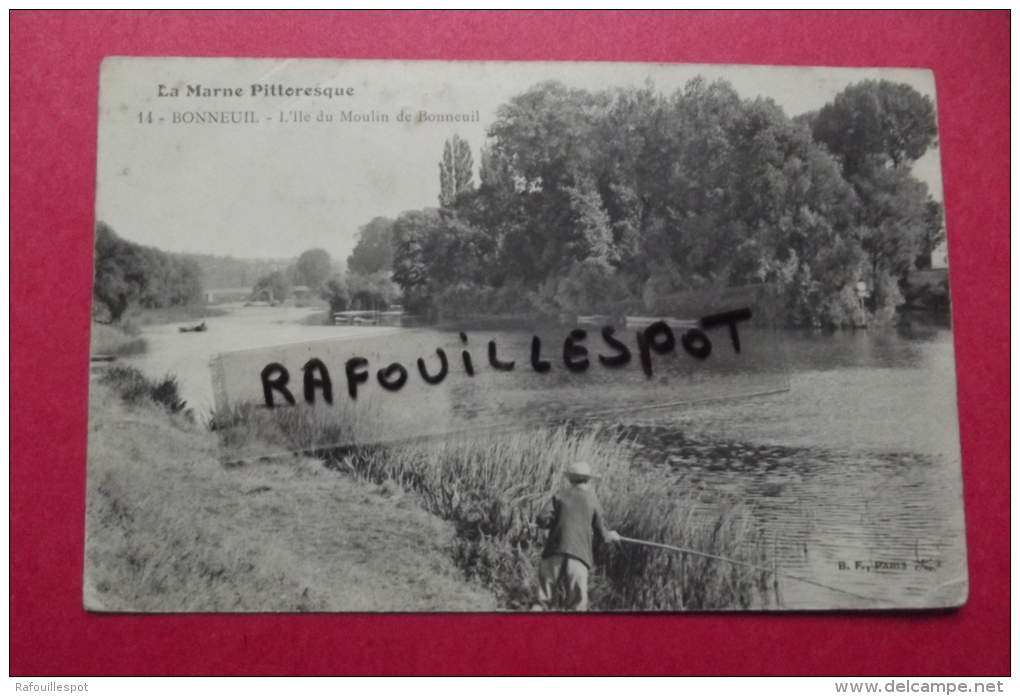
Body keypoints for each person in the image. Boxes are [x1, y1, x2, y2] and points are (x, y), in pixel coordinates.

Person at [531, 460, 620, 611]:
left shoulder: (559, 495)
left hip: (554, 551)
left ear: (570, 479)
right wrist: (612, 536)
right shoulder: (592, 500)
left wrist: (554, 525)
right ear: (588, 480)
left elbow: (541, 519)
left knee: (542, 600)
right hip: (578, 555)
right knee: (577, 606)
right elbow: (602, 536)